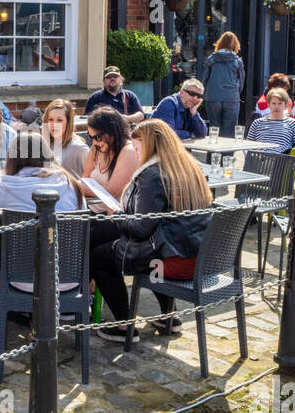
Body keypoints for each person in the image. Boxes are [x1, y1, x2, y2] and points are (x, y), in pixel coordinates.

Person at [89, 119, 212, 343]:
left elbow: (141, 228)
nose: (135, 155)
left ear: (150, 146)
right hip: (199, 256)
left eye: (137, 149)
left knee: (99, 256)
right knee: (104, 234)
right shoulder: (188, 167)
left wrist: (116, 214)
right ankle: (169, 316)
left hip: (170, 262)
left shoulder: (152, 175)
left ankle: (123, 324)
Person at [0, 131, 85, 213]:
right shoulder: (69, 182)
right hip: (67, 248)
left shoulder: (9, 185)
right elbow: (83, 214)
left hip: (19, 248)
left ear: (13, 158)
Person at [83, 106, 139, 200]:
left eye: (98, 137)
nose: (94, 142)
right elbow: (85, 180)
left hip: (117, 213)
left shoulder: (129, 151)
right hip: (94, 210)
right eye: (91, 137)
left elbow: (111, 192)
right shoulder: (96, 148)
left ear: (112, 132)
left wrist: (76, 187)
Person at [201, 31, 245, 136]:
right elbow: (241, 82)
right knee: (229, 131)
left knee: (214, 128)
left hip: (213, 97)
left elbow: (205, 79)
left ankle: (213, 152)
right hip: (231, 98)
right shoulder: (237, 61)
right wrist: (235, 92)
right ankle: (226, 153)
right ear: (235, 44)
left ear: (220, 43)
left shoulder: (211, 59)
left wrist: (206, 93)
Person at [246, 88, 295, 153]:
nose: (277, 107)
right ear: (268, 105)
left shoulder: (294, 124)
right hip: (259, 159)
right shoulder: (257, 123)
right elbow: (247, 146)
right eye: (274, 103)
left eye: (280, 103)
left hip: (282, 160)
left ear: (285, 105)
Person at [42, 98, 88, 176]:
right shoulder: (45, 145)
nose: (54, 124)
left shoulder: (79, 148)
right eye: (50, 119)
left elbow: (93, 180)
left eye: (59, 120)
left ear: (68, 122)